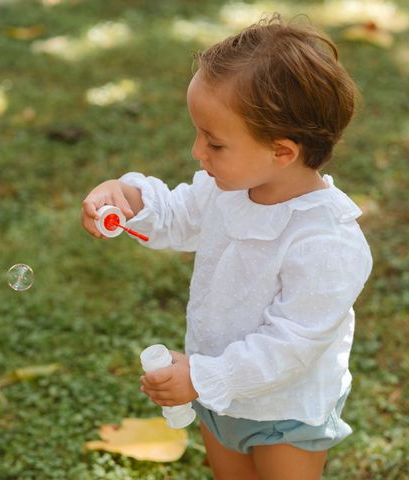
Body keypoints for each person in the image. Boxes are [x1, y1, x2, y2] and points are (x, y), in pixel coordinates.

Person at [81, 14, 372, 480]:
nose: (198, 152)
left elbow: (291, 345)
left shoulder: (327, 241)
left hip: (285, 411)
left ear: (282, 151)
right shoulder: (227, 190)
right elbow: (176, 214)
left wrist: (201, 377)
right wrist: (126, 199)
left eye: (214, 143)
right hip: (216, 391)